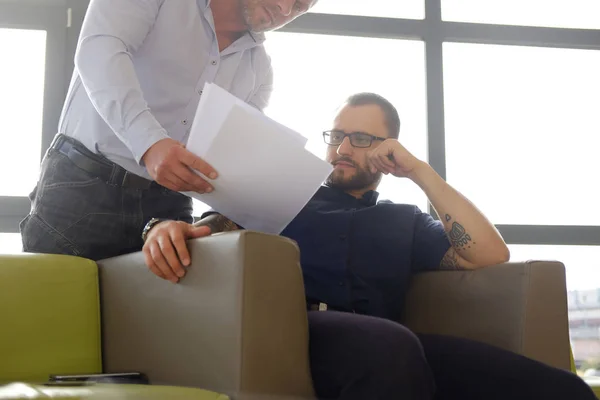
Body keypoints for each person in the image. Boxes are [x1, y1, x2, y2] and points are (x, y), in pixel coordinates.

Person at [141, 93, 595, 400]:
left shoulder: (404, 221)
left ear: (388, 149)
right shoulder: (284, 195)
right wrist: (161, 225)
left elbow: (489, 253)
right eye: (337, 135)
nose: (342, 147)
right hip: (294, 334)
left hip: (388, 342)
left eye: (360, 139)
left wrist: (419, 171)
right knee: (391, 345)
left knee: (561, 390)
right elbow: (214, 227)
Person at [20, 0, 317, 260]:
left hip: (168, 207)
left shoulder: (260, 71)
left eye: (302, 5)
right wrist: (150, 143)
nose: (286, 8)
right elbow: (99, 48)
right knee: (53, 308)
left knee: (157, 322)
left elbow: (231, 157)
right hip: (86, 184)